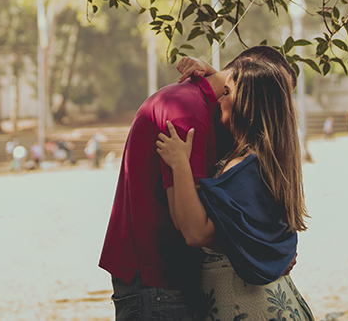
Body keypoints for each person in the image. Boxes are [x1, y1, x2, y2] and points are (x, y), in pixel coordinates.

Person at [99, 46, 295, 321]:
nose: (276, 107)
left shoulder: (230, 126)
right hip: (157, 278)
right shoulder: (185, 110)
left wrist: (270, 251)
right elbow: (194, 230)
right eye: (272, 92)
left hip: (184, 275)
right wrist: (267, 251)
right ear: (248, 73)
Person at [156, 58, 315, 321]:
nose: (219, 98)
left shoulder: (241, 168)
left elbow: (196, 233)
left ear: (247, 105)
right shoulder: (269, 161)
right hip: (276, 298)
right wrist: (212, 72)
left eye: (227, 92)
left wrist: (180, 164)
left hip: (245, 304)